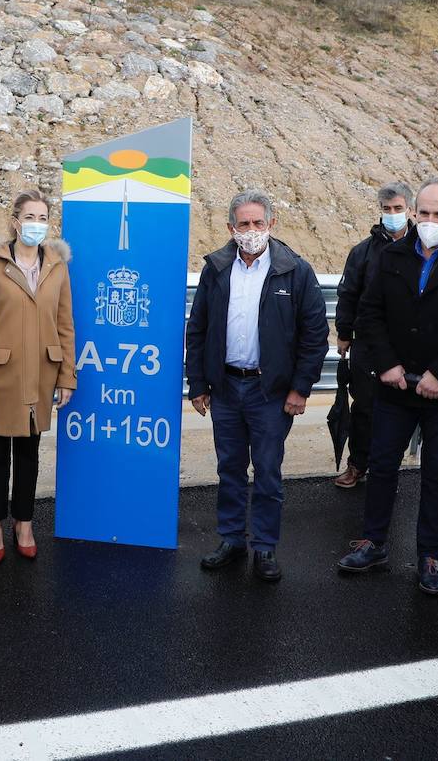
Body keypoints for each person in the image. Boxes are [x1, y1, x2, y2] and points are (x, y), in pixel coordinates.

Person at [337, 178, 438, 595]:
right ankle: (373, 542)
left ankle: (429, 555)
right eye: (423, 213)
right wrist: (387, 365)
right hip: (393, 387)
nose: (428, 220)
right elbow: (370, 314)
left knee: (437, 474)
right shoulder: (391, 256)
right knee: (382, 465)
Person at [186, 189, 329, 583]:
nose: (251, 231)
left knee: (267, 472)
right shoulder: (216, 269)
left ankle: (264, 545)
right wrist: (197, 382)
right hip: (227, 389)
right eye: (243, 224)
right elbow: (197, 328)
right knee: (230, 468)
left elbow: (315, 336)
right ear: (231, 228)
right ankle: (232, 539)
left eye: (258, 223)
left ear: (271, 224)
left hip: (271, 393)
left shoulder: (295, 271)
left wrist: (301, 388)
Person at [0, 190, 77, 561]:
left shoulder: (57, 265)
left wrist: (67, 377)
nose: (36, 225)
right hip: (0, 375)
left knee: (29, 451)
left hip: (42, 373)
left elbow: (65, 325)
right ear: (15, 221)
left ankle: (24, 522)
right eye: (30, 217)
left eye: (43, 218)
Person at [330, 181, 414, 489]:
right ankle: (358, 464)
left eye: (398, 209)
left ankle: (388, 465)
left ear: (410, 210)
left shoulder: (424, 247)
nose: (392, 214)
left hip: (407, 343)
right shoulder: (363, 251)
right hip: (367, 344)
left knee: (403, 407)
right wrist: (344, 332)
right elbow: (348, 293)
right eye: (387, 209)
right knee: (364, 406)